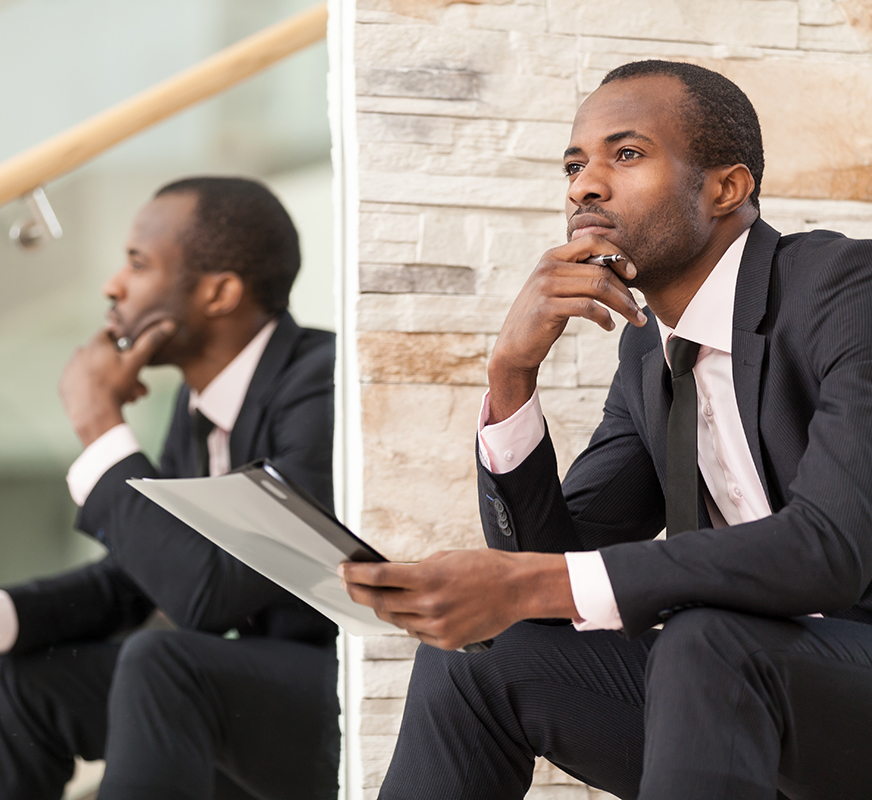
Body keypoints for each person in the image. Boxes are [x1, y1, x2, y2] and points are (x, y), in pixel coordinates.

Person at [341, 60, 872, 799]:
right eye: (573, 163)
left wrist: (530, 581)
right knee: (482, 650)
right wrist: (510, 376)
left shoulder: (846, 290)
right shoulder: (649, 353)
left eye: (625, 155)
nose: (582, 186)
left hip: (845, 686)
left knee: (705, 635)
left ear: (727, 187)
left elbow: (831, 550)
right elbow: (556, 562)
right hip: (730, 698)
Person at [0, 177, 340, 800]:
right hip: (229, 701)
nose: (113, 285)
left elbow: (209, 596)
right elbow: (138, 579)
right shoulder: (199, 402)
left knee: (161, 660)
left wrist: (100, 422)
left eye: (137, 263)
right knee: (29, 681)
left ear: (220, 292)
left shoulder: (322, 386)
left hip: (341, 708)